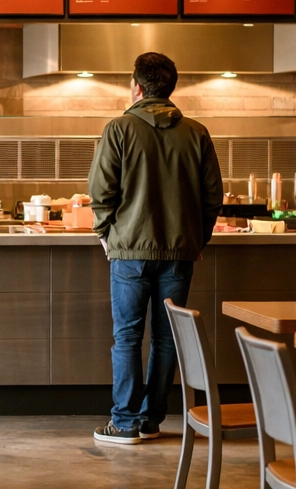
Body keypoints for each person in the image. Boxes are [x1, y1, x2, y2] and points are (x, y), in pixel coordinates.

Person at [87, 52, 223, 445]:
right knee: (167, 339)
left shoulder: (119, 128)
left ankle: (124, 423)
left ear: (137, 87)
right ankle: (151, 420)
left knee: (128, 337)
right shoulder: (196, 133)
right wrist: (197, 240)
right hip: (180, 253)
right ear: (170, 89)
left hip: (129, 252)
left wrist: (105, 234)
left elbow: (100, 192)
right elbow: (213, 198)